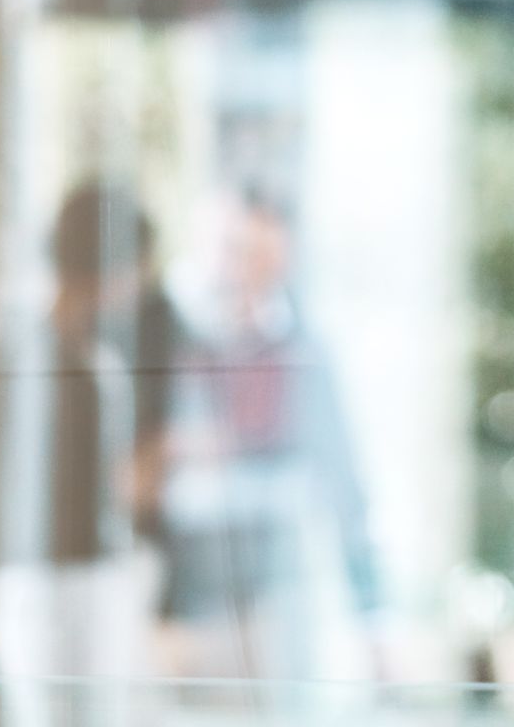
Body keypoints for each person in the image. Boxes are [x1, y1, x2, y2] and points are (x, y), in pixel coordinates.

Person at [154, 186, 385, 680]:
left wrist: (371, 617)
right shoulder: (171, 339)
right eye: (235, 252)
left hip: (272, 596)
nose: (245, 273)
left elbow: (344, 485)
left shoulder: (302, 353)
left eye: (262, 258)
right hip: (174, 596)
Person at [0, 179, 169, 684]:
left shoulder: (96, 352)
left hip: (92, 579)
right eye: (134, 268)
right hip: (51, 587)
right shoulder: (32, 356)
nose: (141, 285)